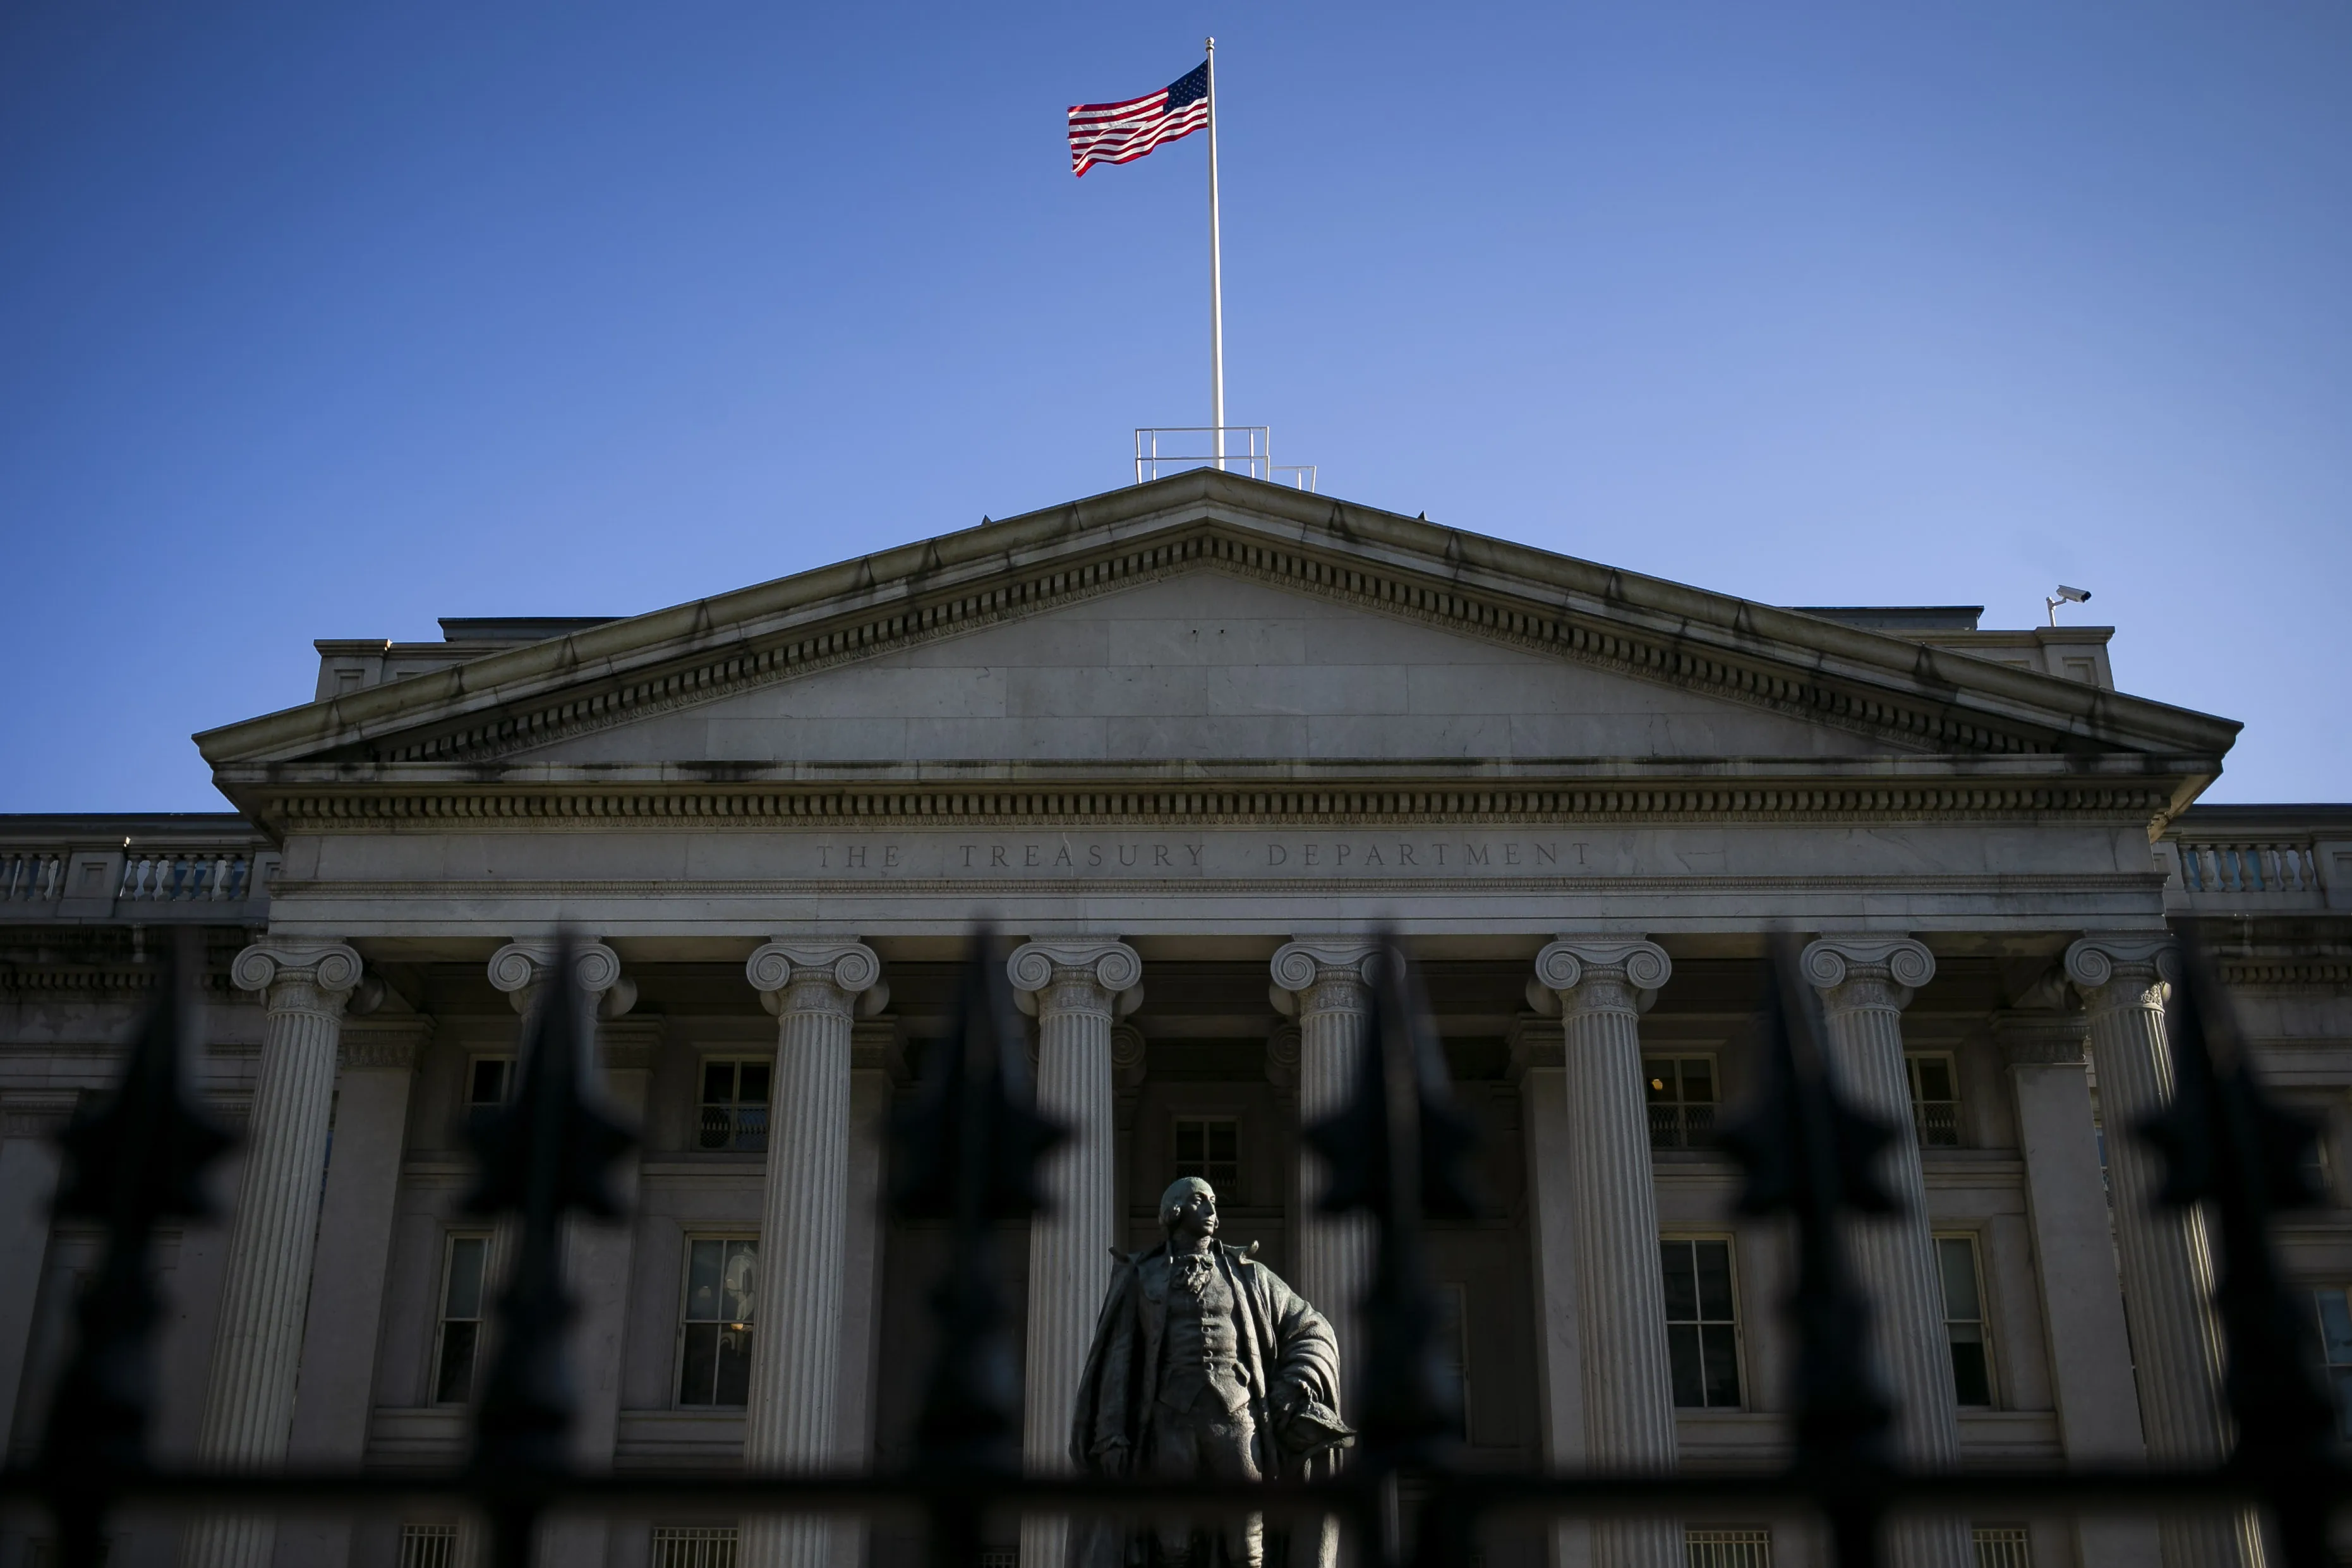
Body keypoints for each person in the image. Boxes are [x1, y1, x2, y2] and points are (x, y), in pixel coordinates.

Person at [1068, 1176, 1352, 1568]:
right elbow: (1119, 1357)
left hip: (1238, 1418)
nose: (1212, 1211)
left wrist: (1294, 1384)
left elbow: (1311, 1326)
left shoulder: (1249, 1275)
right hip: (1170, 1420)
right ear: (1175, 1210)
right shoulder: (1141, 1276)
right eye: (1201, 1202)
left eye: (1214, 1203)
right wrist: (1112, 1433)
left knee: (1248, 1543)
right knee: (1173, 1542)